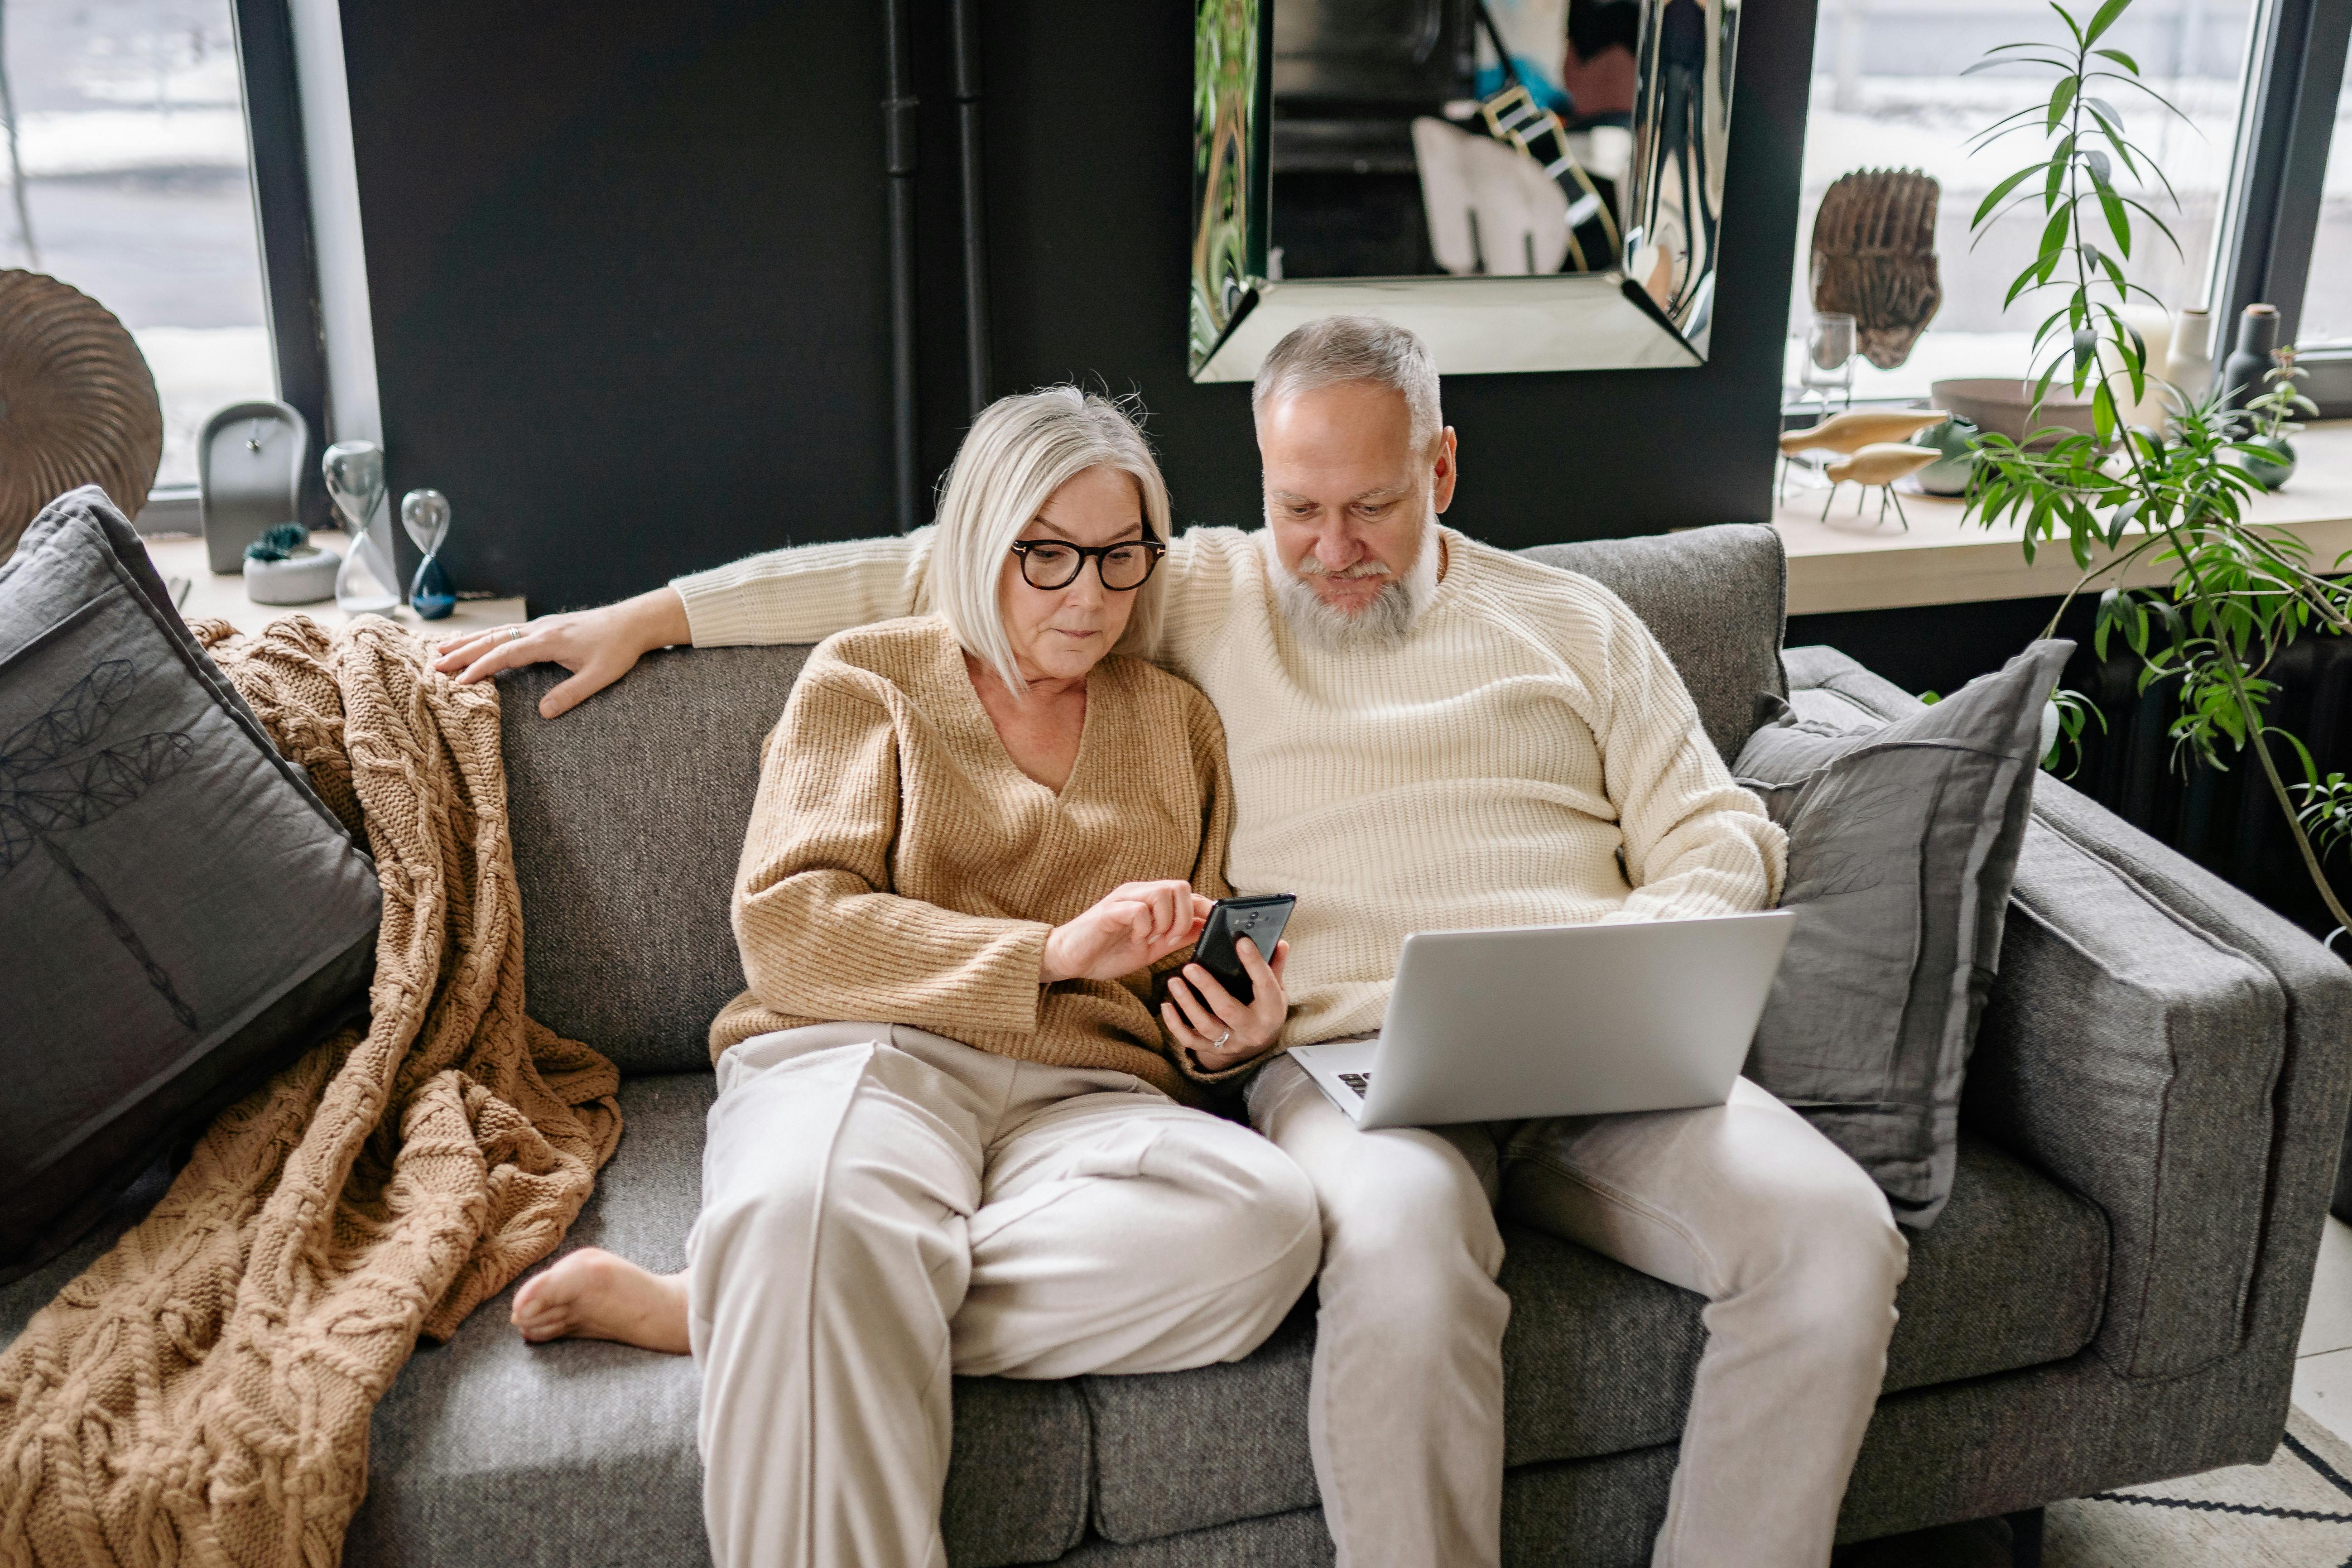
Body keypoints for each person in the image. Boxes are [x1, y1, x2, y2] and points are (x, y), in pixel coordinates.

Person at [445, 317, 1909, 1568]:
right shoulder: (1187, 589)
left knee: (1833, 1239)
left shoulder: (1572, 626)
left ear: (1442, 472)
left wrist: (1641, 945)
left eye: (1373, 510)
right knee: (1396, 1254)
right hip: (1344, 1057)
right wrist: (654, 614)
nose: (1331, 553)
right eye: (1298, 509)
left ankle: (787, 1302)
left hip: (1600, 1032)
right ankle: (799, 1288)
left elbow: (1721, 830)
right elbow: (920, 573)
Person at [500, 387, 1322, 1568]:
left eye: (1118, 555)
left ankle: (741, 1302)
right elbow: (791, 930)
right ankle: (796, 1265)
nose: (1089, 594)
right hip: (862, 1053)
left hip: (1088, 1099)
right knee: (810, 1211)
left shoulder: (1176, 723)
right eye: (1045, 555)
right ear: (982, 542)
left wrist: (1228, 1035)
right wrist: (1045, 953)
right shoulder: (865, 681)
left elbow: (1173, 996)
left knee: (1264, 1225)